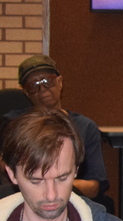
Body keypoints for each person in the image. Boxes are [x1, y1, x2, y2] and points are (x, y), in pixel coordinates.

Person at [2, 55, 110, 203]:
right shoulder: (13, 124)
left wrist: (52, 182)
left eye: (48, 81)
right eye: (33, 86)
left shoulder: (85, 126)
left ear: (60, 82)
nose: (43, 89)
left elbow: (93, 187)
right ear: (26, 93)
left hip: (74, 202)